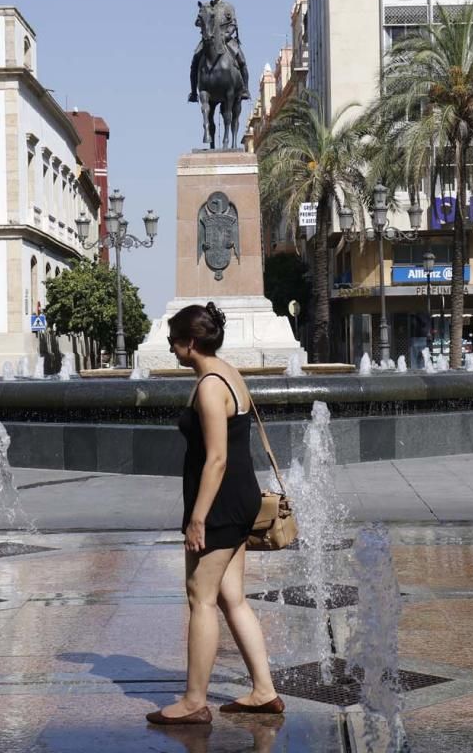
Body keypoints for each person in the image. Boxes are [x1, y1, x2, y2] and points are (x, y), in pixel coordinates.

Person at [146, 302, 283, 725]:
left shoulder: (209, 385)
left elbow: (217, 459)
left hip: (221, 504)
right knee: (231, 597)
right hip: (240, 498)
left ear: (190, 343)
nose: (170, 348)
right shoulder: (228, 372)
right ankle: (263, 690)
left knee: (199, 597)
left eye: (173, 340)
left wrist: (198, 518)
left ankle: (193, 701)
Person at [189, 0, 251, 103]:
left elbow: (233, 24)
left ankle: (245, 89)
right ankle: (193, 92)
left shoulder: (228, 7)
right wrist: (201, 22)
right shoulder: (206, 6)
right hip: (208, 39)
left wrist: (227, 34)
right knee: (195, 61)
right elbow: (197, 21)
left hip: (225, 38)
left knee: (242, 60)